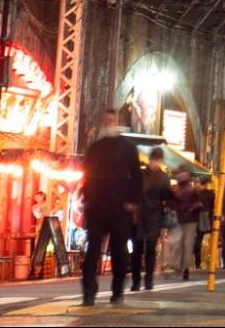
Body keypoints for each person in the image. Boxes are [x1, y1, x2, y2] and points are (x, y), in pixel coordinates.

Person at [80, 109, 142, 307]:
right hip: (97, 206)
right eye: (106, 120)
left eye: (111, 120)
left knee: (119, 251)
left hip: (119, 206)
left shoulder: (127, 148)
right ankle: (88, 292)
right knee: (92, 251)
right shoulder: (95, 147)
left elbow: (136, 176)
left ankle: (117, 291)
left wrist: (132, 201)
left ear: (117, 122)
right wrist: (87, 198)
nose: (109, 123)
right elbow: (87, 174)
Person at [134, 147, 172, 290]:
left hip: (144, 216)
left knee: (142, 249)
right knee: (146, 250)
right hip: (152, 216)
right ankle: (145, 281)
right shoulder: (163, 178)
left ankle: (140, 281)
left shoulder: (142, 174)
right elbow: (167, 200)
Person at [167, 167, 203, 280]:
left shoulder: (174, 191)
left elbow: (170, 205)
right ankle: (185, 268)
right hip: (191, 221)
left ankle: (176, 264)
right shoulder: (193, 191)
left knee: (177, 243)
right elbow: (199, 205)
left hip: (178, 220)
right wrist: (191, 208)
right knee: (188, 245)